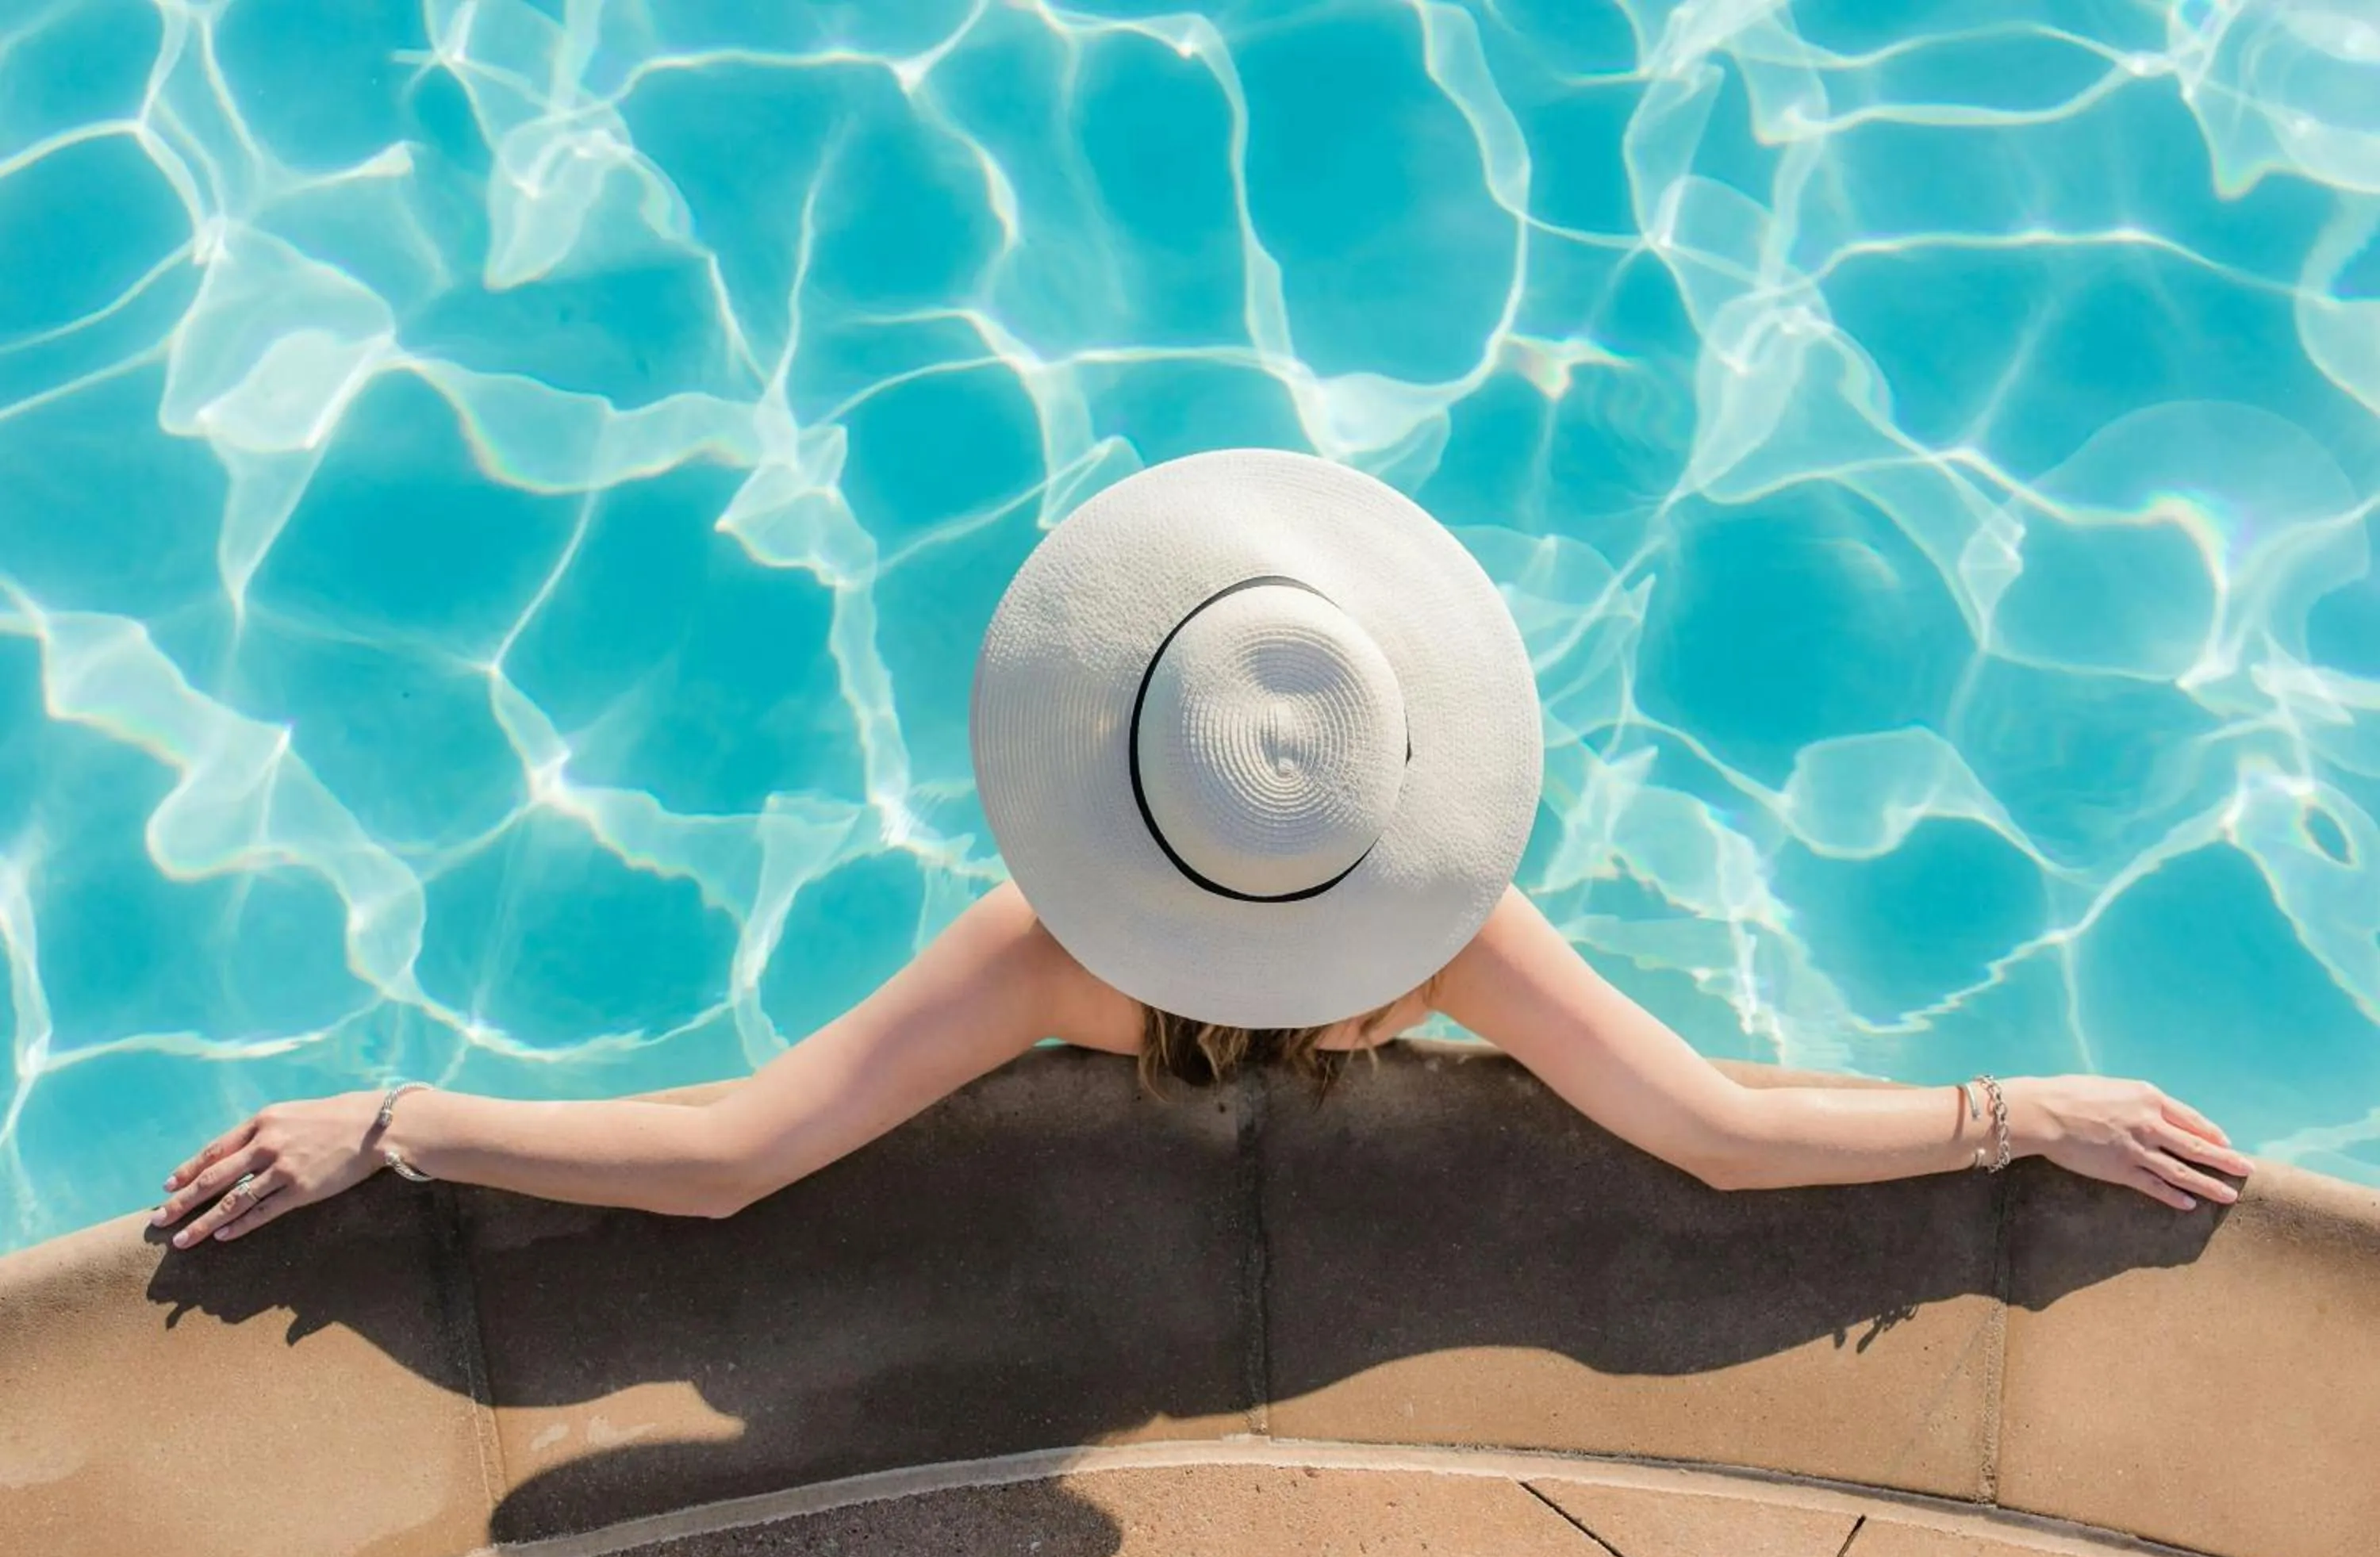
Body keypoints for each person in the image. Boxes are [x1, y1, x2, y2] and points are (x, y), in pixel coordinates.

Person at [151, 450, 2251, 1249]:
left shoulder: (1039, 954)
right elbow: (1715, 1128)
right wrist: (2014, 1112)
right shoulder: (1432, 944)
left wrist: (398, 1122)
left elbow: (727, 1153)